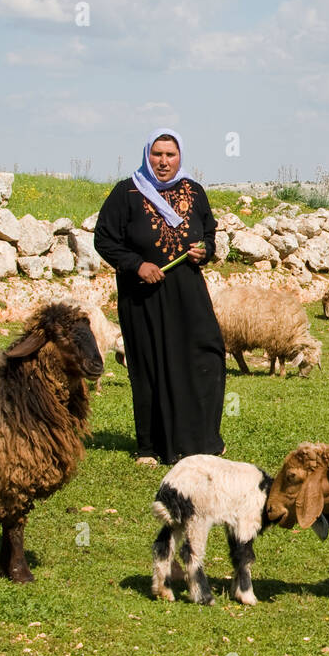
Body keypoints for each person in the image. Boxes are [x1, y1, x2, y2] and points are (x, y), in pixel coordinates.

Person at [94, 128, 226, 465]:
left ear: (180, 156)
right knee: (151, 365)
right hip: (144, 297)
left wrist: (205, 250)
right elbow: (105, 239)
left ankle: (203, 441)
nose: (164, 161)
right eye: (157, 154)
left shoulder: (194, 192)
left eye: (170, 154)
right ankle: (151, 447)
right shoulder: (127, 192)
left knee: (204, 357)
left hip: (188, 293)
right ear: (146, 155)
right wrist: (136, 265)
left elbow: (208, 231)